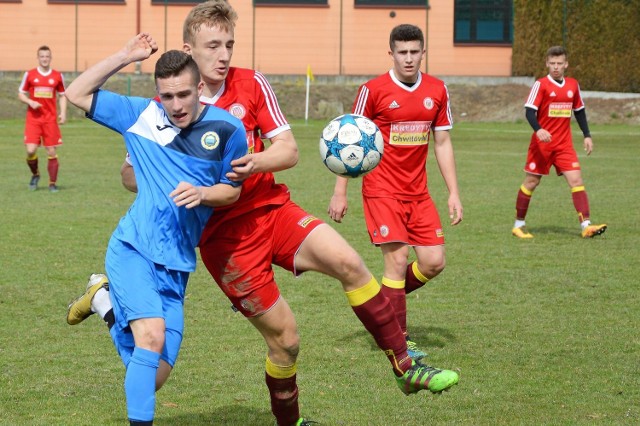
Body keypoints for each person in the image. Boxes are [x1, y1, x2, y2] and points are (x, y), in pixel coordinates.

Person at [66, 3, 459, 426]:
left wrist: (255, 163)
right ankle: (288, 421)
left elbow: (288, 150)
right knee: (285, 343)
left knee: (349, 261)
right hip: (225, 242)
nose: (224, 55)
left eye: (229, 45)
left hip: (272, 210)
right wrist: (163, 178)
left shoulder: (250, 86)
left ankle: (404, 365)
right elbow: (131, 174)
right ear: (188, 51)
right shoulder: (161, 107)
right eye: (213, 46)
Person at [64, 33, 248, 425]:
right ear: (157, 93)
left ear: (200, 87)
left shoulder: (230, 130)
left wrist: (203, 193)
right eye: (167, 96)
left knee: (153, 376)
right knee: (149, 339)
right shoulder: (140, 115)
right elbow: (76, 92)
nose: (176, 105)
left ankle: (103, 302)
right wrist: (125, 55)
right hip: (133, 249)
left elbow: (231, 193)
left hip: (177, 264)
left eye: (184, 94)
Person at [328, 24, 463, 363]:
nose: (408, 58)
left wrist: (453, 193)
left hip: (419, 193)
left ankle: (382, 308)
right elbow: (349, 142)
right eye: (401, 52)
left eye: (414, 52)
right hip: (381, 189)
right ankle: (397, 341)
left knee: (433, 262)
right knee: (398, 259)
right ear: (391, 53)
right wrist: (340, 192)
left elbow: (443, 143)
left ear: (423, 53)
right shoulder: (372, 90)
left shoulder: (437, 90)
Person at [511, 46, 607, 239]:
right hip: (542, 145)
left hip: (564, 145)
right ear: (547, 63)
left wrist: (587, 135)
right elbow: (530, 111)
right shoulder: (541, 85)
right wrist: (539, 130)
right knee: (531, 182)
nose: (555, 67)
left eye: (559, 64)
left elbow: (579, 111)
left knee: (576, 181)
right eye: (552, 63)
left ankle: (586, 225)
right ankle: (518, 224)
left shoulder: (573, 85)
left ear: (566, 64)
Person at [19, 45, 67, 192]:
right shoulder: (30, 75)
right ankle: (35, 174)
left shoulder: (57, 76)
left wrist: (63, 113)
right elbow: (21, 93)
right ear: (38, 58)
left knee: (51, 151)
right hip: (33, 119)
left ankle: (52, 184)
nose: (45, 59)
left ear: (50, 58)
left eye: (47, 56)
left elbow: (62, 95)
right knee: (30, 150)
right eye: (42, 56)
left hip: (50, 119)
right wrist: (30, 102)